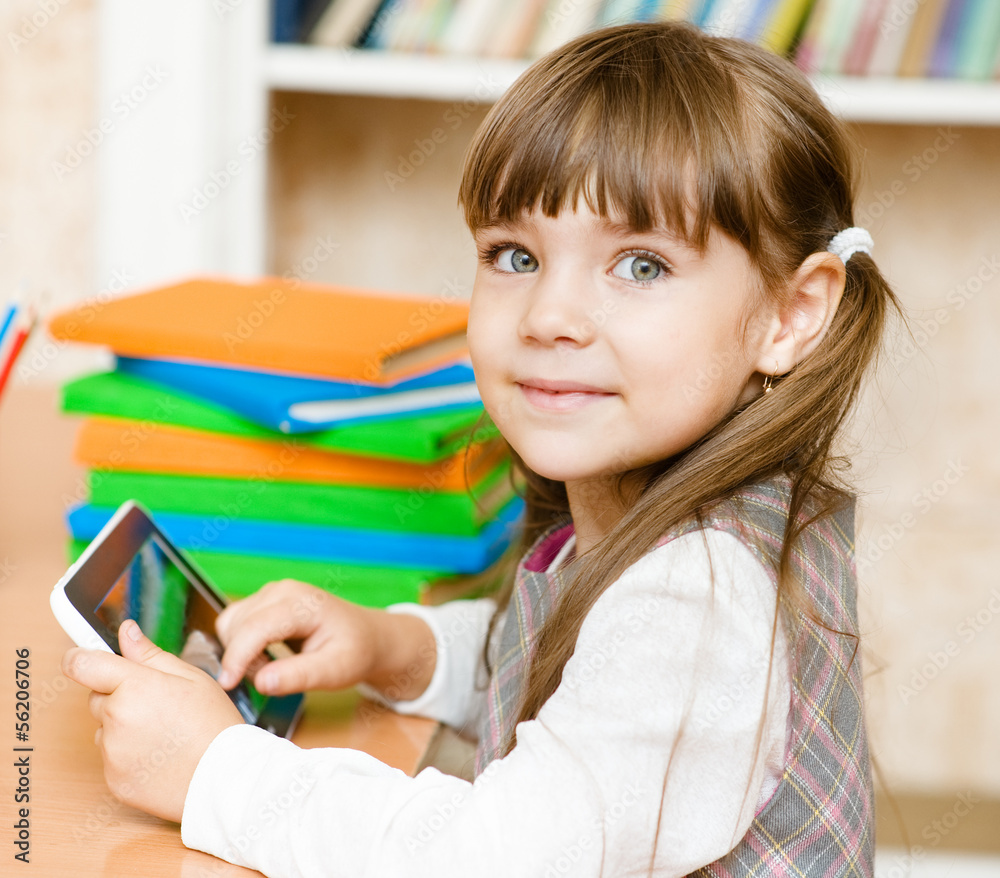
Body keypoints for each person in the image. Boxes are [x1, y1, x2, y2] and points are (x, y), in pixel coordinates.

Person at [63, 20, 898, 877]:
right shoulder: (651, 501)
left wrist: (217, 772)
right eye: (514, 255)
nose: (547, 317)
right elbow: (584, 682)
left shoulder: (698, 599)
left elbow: (490, 858)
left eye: (640, 266)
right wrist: (400, 649)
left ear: (790, 316)